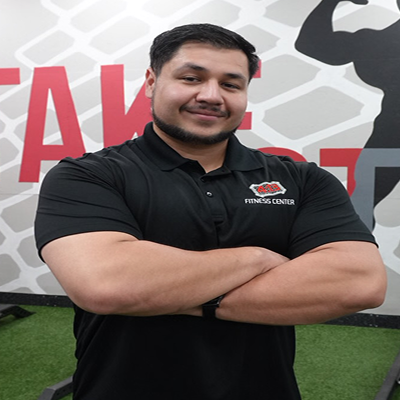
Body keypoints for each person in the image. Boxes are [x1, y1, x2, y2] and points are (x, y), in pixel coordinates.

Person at [35, 23, 387, 400]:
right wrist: (257, 258)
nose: (211, 95)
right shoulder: (87, 176)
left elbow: (359, 282)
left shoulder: (302, 180)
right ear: (151, 82)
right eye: (191, 78)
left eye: (231, 84)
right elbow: (107, 284)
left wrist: (175, 294)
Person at [295, 0, 400, 224]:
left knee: (363, 201)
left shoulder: (377, 42)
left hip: (389, 138)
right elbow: (311, 44)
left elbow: (311, 44)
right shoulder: (378, 42)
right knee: (362, 202)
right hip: (390, 139)